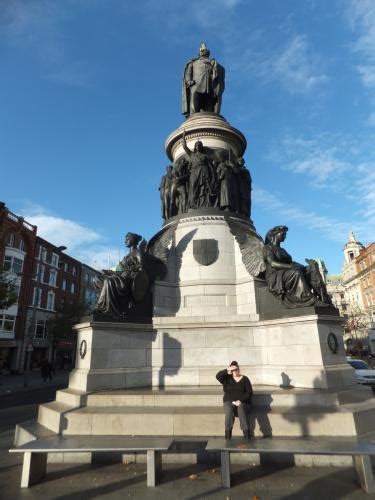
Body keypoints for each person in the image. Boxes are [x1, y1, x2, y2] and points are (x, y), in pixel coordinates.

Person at [263, 226, 330, 308]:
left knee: (312, 270)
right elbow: (273, 263)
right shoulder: (267, 248)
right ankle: (309, 299)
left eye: (285, 234)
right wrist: (291, 266)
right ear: (274, 234)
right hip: (275, 276)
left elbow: (292, 262)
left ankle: (323, 297)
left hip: (286, 272)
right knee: (295, 272)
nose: (285, 236)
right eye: (283, 234)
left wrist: (307, 266)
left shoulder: (283, 250)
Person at [94, 232, 146, 317]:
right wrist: (107, 271)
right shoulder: (126, 256)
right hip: (119, 277)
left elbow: (141, 267)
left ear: (134, 240)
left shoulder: (137, 253)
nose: (125, 241)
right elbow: (118, 269)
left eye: (127, 238)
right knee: (97, 279)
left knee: (109, 281)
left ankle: (102, 308)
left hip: (127, 280)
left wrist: (129, 269)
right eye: (125, 239)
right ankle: (103, 306)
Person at [182, 43, 225, 116]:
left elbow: (220, 70)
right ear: (199, 53)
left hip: (209, 86)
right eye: (202, 51)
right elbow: (188, 72)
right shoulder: (193, 62)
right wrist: (188, 81)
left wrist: (214, 67)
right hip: (196, 85)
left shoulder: (213, 63)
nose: (203, 52)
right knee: (194, 103)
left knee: (209, 106)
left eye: (205, 51)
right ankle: (193, 117)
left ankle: (209, 117)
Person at [216, 361, 253, 440]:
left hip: (243, 402)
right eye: (232, 370)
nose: (234, 371)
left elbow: (249, 392)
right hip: (229, 401)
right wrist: (227, 370)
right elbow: (218, 376)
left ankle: (246, 435)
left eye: (236, 369)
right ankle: (228, 436)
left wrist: (241, 400)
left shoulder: (245, 379)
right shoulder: (227, 378)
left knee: (241, 408)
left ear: (239, 369)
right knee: (229, 411)